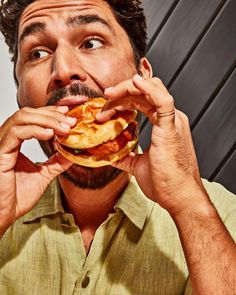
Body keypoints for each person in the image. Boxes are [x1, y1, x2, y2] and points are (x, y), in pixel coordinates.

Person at [0, 0, 235, 294]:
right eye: (37, 53)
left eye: (91, 42)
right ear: (22, 98)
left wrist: (188, 203)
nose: (63, 69)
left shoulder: (224, 217)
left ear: (143, 75)